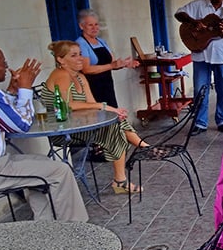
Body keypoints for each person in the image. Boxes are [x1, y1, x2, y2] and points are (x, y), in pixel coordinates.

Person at [0, 43, 88, 221]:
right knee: (59, 171)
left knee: (42, 165)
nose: (7, 67)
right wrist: (25, 89)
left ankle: (44, 228)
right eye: (3, 63)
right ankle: (75, 232)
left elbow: (2, 113)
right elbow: (21, 124)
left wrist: (14, 91)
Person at [42, 41, 147, 194]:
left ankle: (133, 161)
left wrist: (113, 112)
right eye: (74, 55)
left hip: (81, 125)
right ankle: (142, 150)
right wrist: (106, 107)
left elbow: (92, 103)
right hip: (62, 130)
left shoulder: (80, 77)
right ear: (60, 59)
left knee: (116, 123)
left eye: (80, 54)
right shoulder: (61, 75)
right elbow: (67, 105)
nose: (80, 58)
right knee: (113, 129)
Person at [174, 0, 223, 135]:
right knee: (200, 90)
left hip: (222, 55)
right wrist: (194, 22)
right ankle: (200, 123)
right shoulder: (197, 5)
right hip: (201, 54)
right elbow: (178, 13)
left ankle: (222, 120)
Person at [76, 9, 140, 108]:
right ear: (81, 26)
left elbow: (112, 64)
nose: (94, 28)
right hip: (92, 86)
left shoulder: (101, 41)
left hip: (107, 84)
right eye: (90, 25)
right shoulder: (81, 43)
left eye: (96, 24)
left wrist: (124, 64)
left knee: (112, 111)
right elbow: (86, 69)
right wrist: (112, 65)